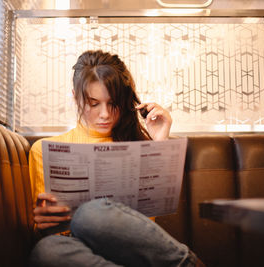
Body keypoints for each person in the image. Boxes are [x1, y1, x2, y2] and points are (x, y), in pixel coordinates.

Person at [28, 50, 203, 266]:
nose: (105, 114)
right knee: (46, 251)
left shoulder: (135, 144)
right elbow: (51, 235)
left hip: (133, 254)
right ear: (75, 97)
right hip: (81, 255)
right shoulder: (43, 150)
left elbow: (147, 228)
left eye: (113, 103)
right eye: (93, 104)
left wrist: (158, 144)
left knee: (92, 215)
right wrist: (44, 225)